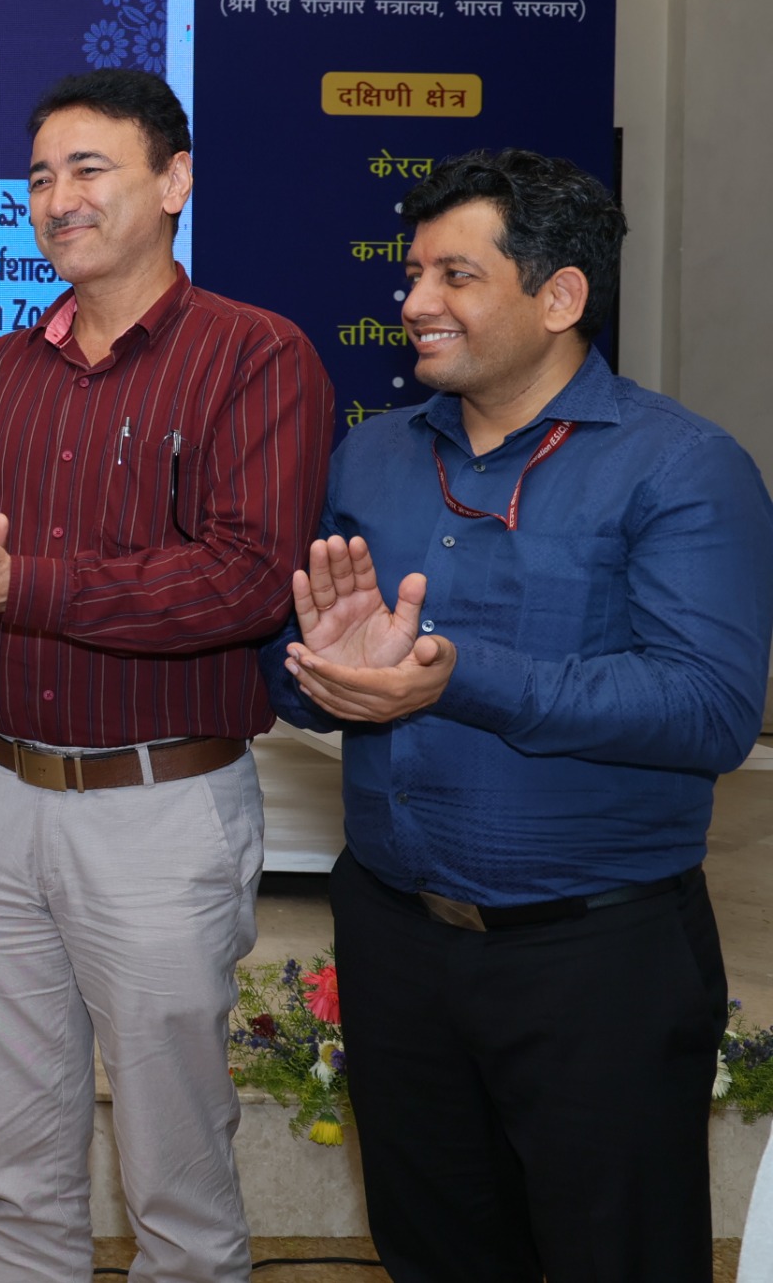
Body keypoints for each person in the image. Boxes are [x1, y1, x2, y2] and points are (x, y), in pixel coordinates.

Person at [0, 68, 332, 1283]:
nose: (57, 197)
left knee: (176, 1168)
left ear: (174, 181)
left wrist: (14, 585)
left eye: (88, 168)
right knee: (8, 1157)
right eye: (38, 176)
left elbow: (241, 582)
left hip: (156, 806)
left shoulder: (254, 355)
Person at [264, 150, 773, 1282]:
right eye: (411, 274)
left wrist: (455, 674)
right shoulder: (375, 453)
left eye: (455, 275)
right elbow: (302, 661)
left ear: (559, 296)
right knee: (433, 1251)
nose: (415, 302)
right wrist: (315, 669)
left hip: (595, 961)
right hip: (396, 940)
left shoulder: (684, 468)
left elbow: (708, 710)